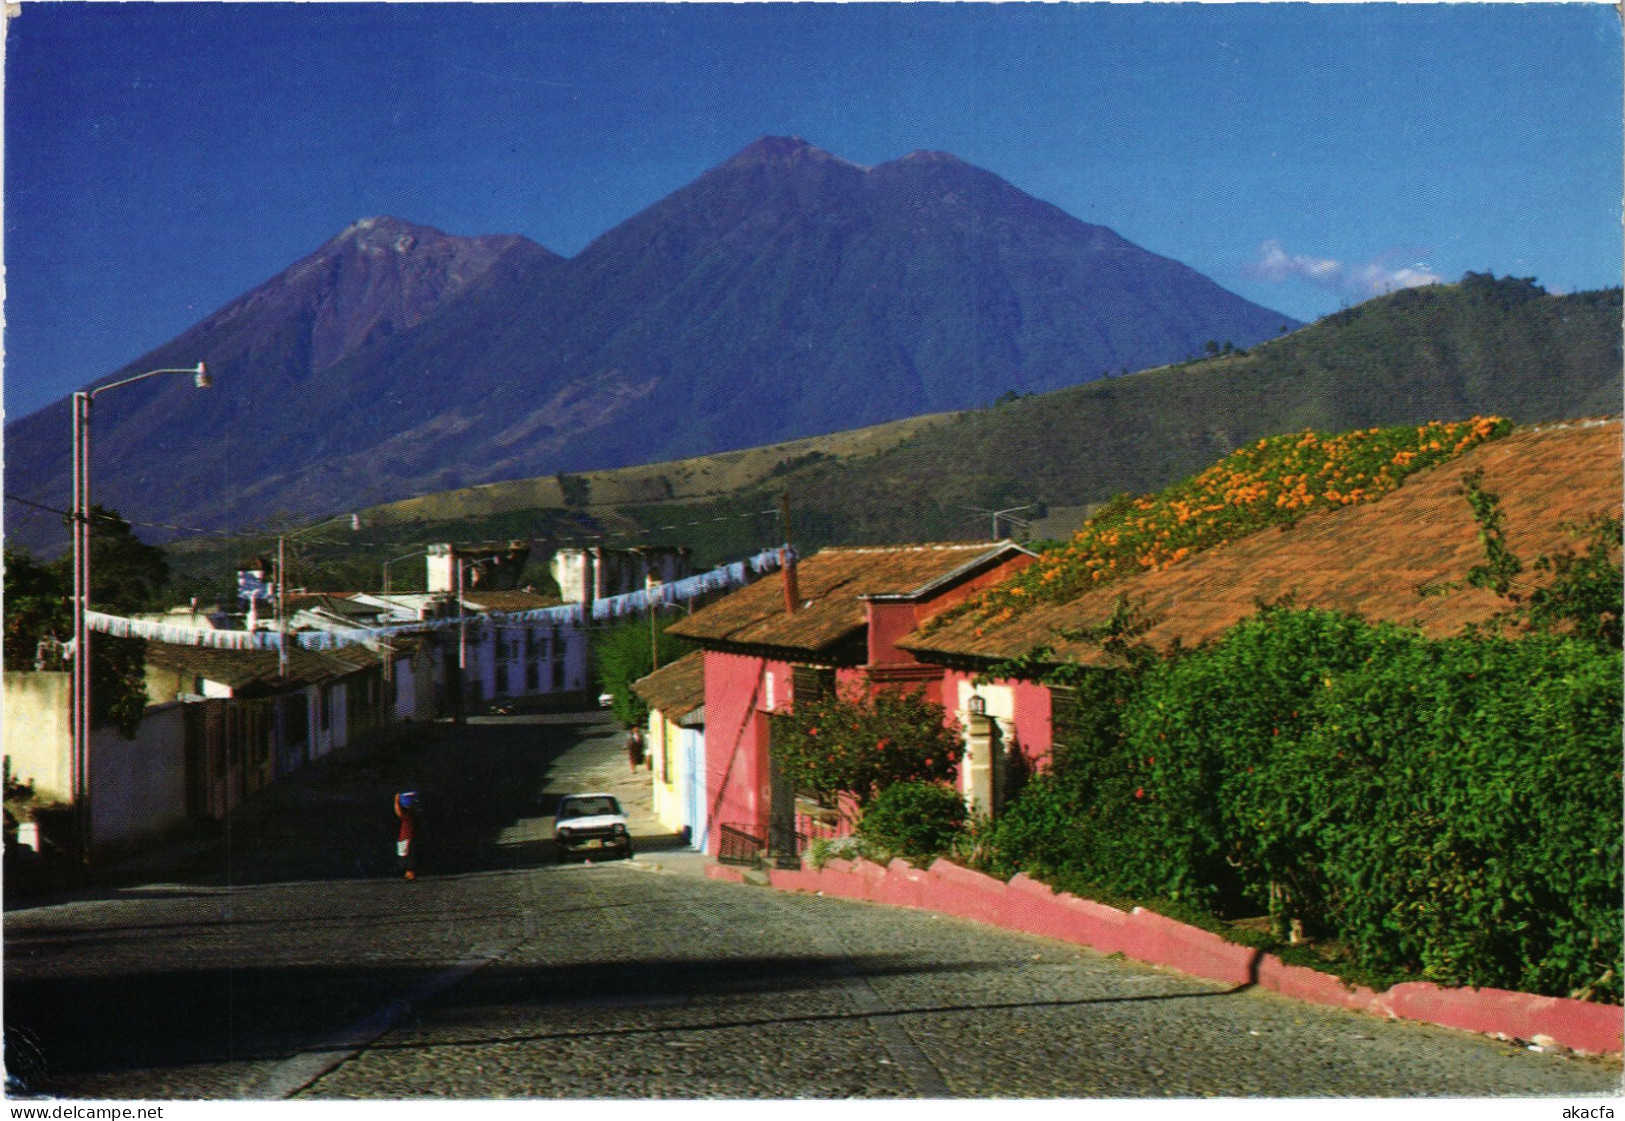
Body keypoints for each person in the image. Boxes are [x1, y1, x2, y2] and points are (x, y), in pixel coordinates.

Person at [395, 791, 420, 880]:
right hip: (405, 837)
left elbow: (399, 812)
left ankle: (410, 873)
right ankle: (408, 873)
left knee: (408, 856)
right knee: (405, 856)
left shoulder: (409, 814)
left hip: (407, 838)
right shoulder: (412, 813)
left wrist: (396, 801)